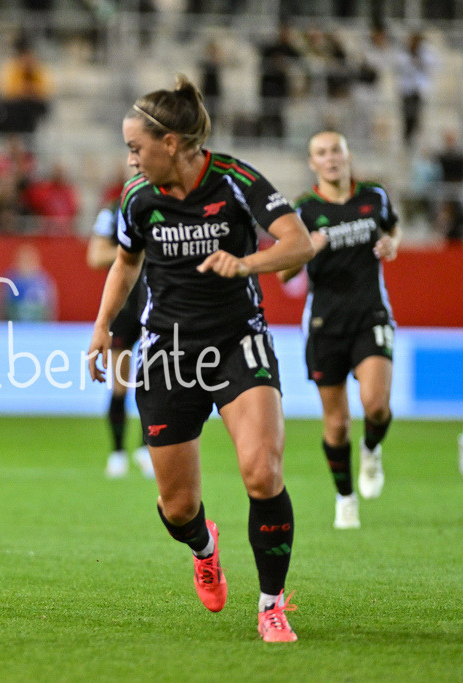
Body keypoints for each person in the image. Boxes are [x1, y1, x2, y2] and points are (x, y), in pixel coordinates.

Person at [86, 75, 314, 642]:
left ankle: (270, 604)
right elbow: (124, 265)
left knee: (263, 472)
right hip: (168, 350)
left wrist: (246, 265)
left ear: (171, 143)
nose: (130, 159)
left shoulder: (235, 180)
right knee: (178, 504)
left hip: (240, 340)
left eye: (136, 147)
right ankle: (204, 547)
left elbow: (298, 242)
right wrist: (99, 329)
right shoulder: (137, 199)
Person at [278, 131, 399, 530]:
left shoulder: (375, 197)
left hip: (370, 315)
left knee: (376, 405)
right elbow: (284, 272)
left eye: (336, 151)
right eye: (321, 153)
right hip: (324, 325)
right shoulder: (304, 210)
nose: (330, 159)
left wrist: (391, 244)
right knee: (337, 423)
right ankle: (345, 497)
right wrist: (306, 249)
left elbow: (391, 229)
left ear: (347, 156)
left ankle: (371, 449)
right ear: (313, 163)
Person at [87, 196, 153, 479]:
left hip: (158, 304)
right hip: (125, 306)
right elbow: (95, 256)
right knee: (119, 385)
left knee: (158, 383)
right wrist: (135, 249)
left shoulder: (171, 205)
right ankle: (117, 453)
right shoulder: (115, 211)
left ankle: (146, 449)